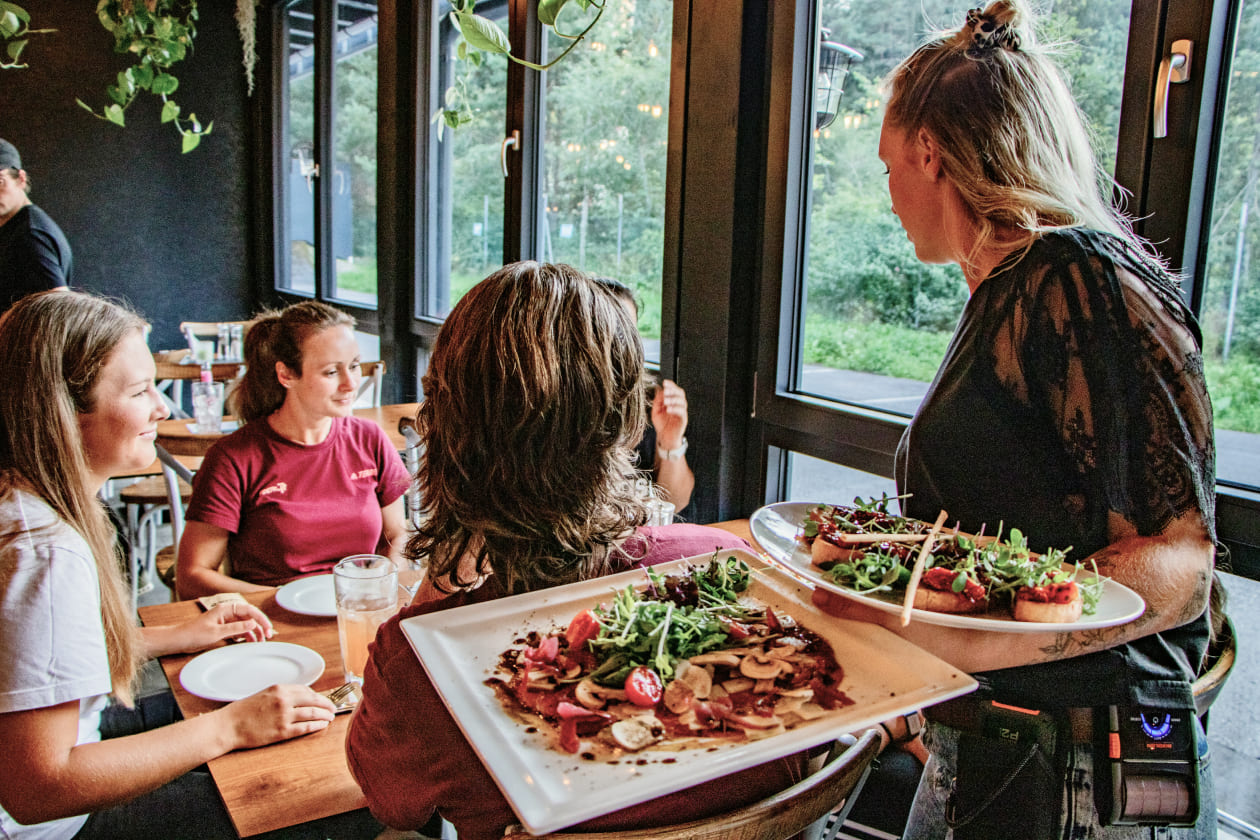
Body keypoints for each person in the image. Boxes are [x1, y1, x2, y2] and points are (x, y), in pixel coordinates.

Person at [811, 3, 1217, 838]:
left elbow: (1182, 564)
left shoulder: (1078, 280)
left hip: (1075, 776)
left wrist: (969, 634)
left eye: (887, 165)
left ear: (928, 150)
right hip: (1002, 751)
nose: (887, 193)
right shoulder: (1012, 286)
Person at [346, 262, 799, 840]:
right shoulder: (725, 565)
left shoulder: (419, 662)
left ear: (445, 427)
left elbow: (394, 808)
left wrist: (441, 574)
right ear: (629, 423)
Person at [0, 290, 355, 840]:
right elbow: (37, 788)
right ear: (63, 411)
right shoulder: (44, 551)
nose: (163, 409)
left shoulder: (24, 507)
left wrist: (173, 637)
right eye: (143, 392)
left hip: (74, 747)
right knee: (337, 789)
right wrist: (231, 728)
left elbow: (30, 662)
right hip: (54, 827)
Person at [177, 301, 409, 599]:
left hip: (360, 608)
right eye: (330, 372)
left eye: (353, 366)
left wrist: (385, 579)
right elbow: (192, 577)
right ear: (286, 375)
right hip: (271, 621)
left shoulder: (370, 439)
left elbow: (397, 534)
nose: (351, 384)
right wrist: (283, 601)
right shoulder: (232, 458)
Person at [593, 276, 695, 512]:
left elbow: (675, 503)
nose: (620, 344)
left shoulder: (650, 400)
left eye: (628, 332)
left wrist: (671, 439)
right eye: (609, 329)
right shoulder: (558, 400)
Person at [0, 138, 72, 313]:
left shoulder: (31, 234)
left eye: (0, 182)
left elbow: (61, 306)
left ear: (21, 179)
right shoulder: (12, 225)